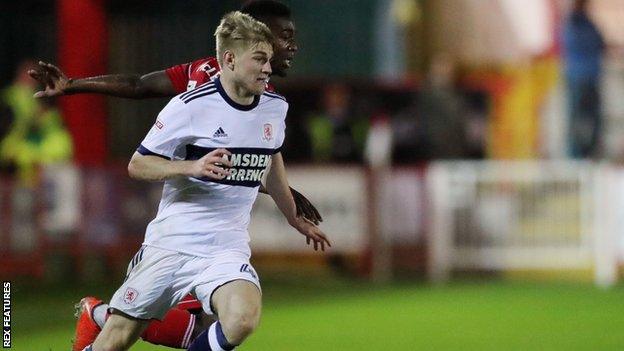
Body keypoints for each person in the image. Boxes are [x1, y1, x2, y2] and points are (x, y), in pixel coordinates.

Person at [28, 2, 323, 350]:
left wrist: (288, 206)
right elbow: (139, 87)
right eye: (283, 37)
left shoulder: (273, 104)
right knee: (152, 334)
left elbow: (264, 154)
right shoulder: (197, 88)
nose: (289, 47)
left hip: (225, 248)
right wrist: (74, 86)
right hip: (174, 239)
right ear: (248, 38)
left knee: (235, 321)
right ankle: (101, 316)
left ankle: (102, 314)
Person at [562, 0, 605, 158]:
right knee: (578, 118)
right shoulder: (572, 24)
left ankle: (588, 153)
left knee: (591, 118)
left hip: (589, 77)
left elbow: (601, 43)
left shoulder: (587, 24)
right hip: (579, 78)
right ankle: (577, 155)